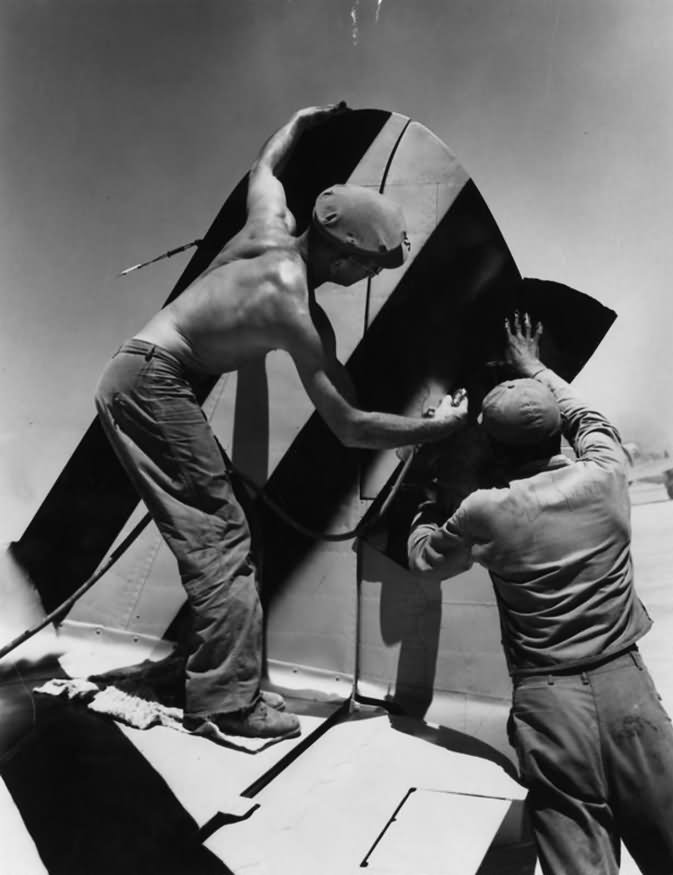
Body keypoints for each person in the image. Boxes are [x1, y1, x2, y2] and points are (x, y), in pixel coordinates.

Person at [94, 102, 468, 742]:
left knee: (228, 520)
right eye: (372, 267)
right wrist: (438, 430)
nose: (367, 278)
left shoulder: (269, 226)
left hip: (142, 373)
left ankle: (207, 666)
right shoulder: (293, 309)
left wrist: (305, 118)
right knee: (221, 538)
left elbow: (266, 164)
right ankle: (224, 702)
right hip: (156, 383)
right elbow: (350, 424)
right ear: (347, 257)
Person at [407, 312, 673, 874]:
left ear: (493, 448)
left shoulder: (484, 512)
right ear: (554, 433)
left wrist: (432, 461)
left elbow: (424, 557)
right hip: (626, 686)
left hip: (548, 702)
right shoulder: (608, 474)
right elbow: (591, 418)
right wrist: (535, 367)